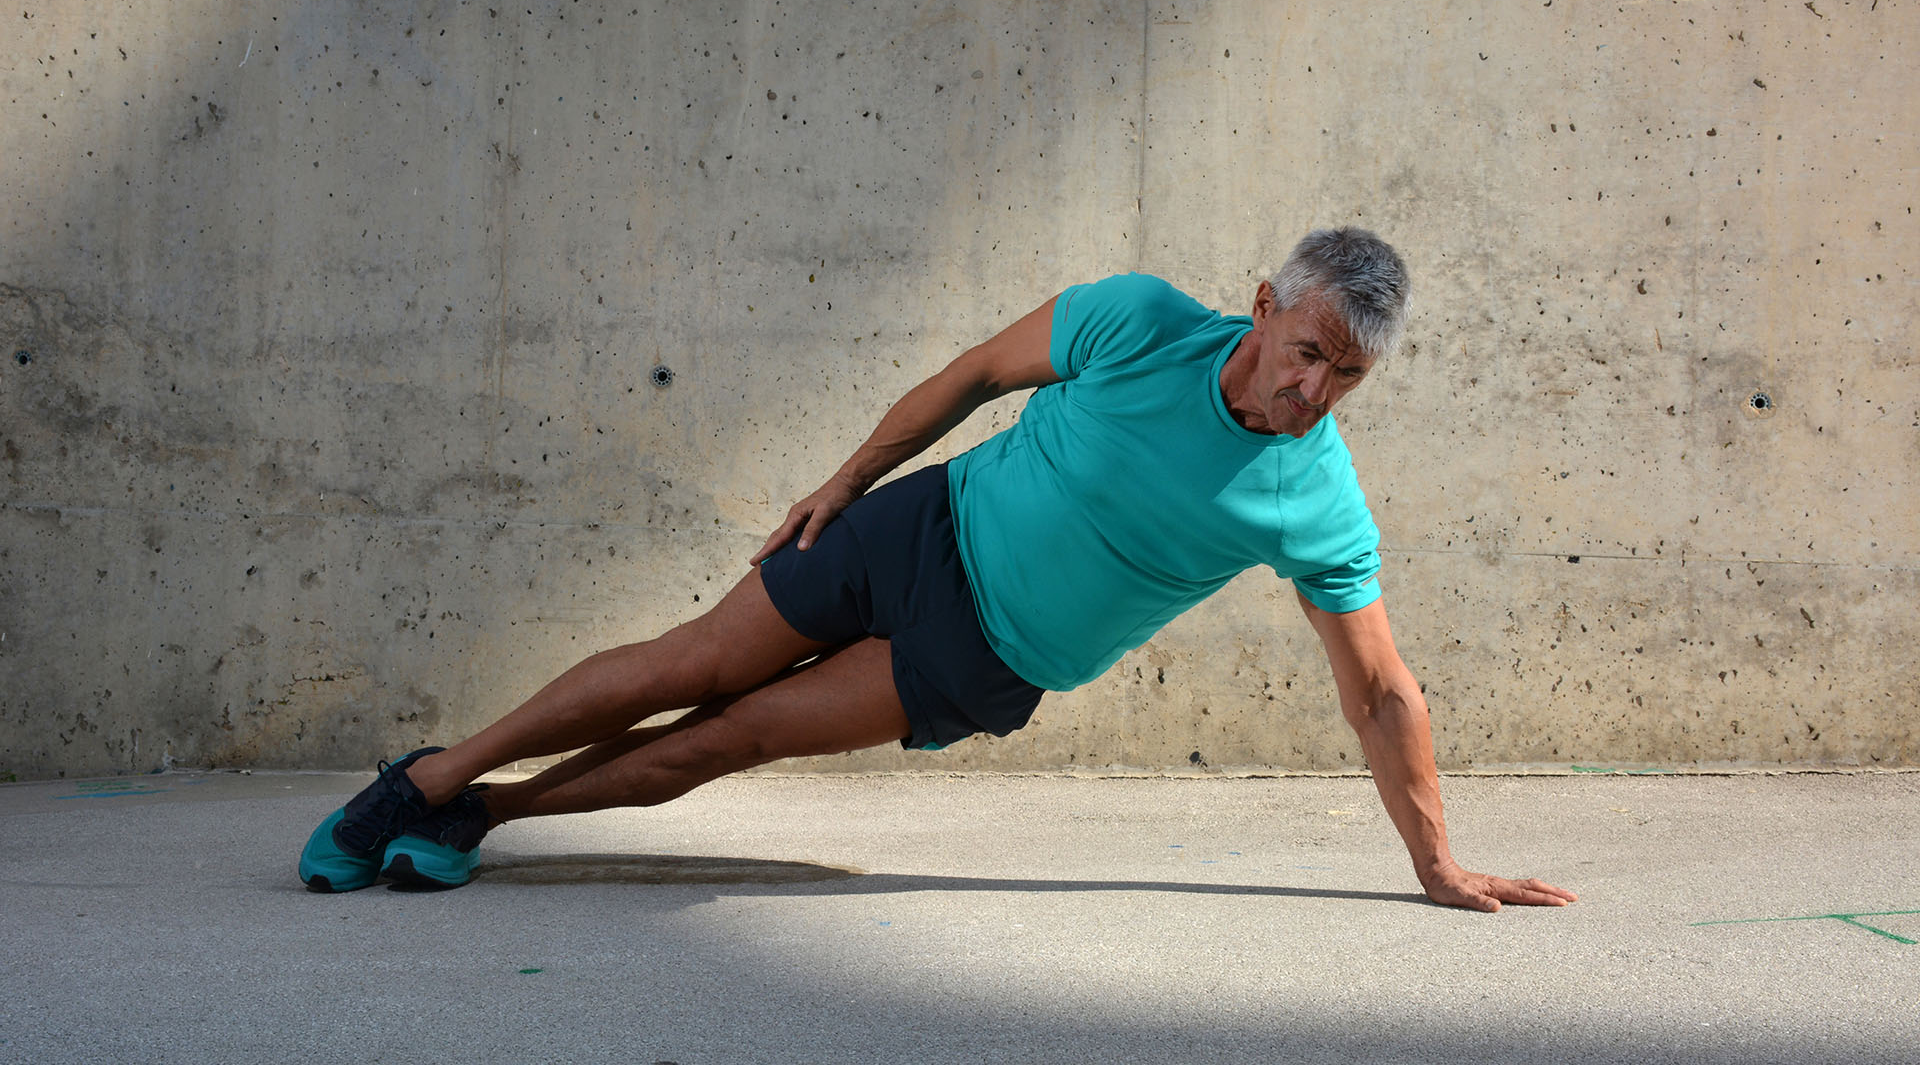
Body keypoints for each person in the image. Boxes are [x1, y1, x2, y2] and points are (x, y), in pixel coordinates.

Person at [299, 227, 1578, 913]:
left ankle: (487, 819)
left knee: (723, 741)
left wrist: (1436, 864)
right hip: (917, 527)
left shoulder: (1319, 501)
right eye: (1307, 349)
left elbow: (1381, 693)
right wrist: (848, 481)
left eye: (1346, 375)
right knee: (687, 663)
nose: (1313, 389)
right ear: (1262, 304)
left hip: (984, 655)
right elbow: (974, 375)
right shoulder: (1136, 321)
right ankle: (432, 776)